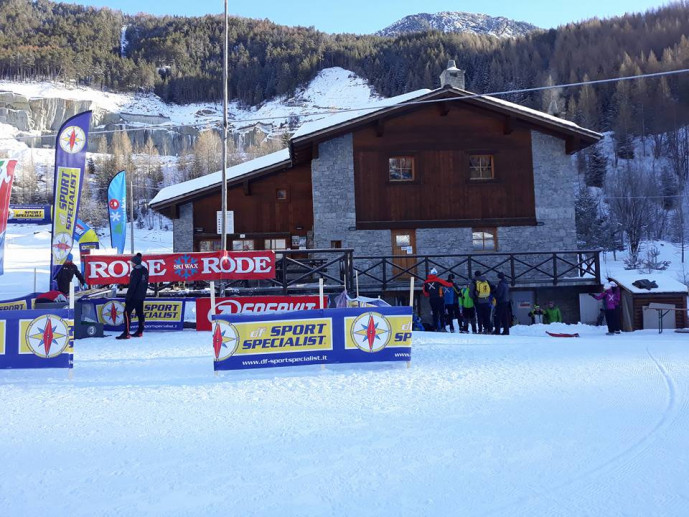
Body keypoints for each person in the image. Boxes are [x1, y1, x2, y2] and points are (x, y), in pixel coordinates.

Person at [117, 252, 149, 340]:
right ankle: (140, 331)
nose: (131, 264)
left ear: (135, 263)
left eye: (132, 263)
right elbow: (145, 284)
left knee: (126, 313)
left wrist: (128, 297)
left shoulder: (135, 272)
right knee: (140, 313)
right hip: (141, 295)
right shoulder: (145, 270)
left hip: (134, 296)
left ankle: (126, 333)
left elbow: (132, 286)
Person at [422, 268, 452, 332]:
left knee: (435, 314)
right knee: (442, 313)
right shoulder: (438, 280)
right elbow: (448, 285)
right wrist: (451, 283)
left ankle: (435, 328)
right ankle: (442, 328)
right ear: (435, 274)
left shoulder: (426, 282)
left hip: (432, 299)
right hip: (439, 298)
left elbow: (425, 293)